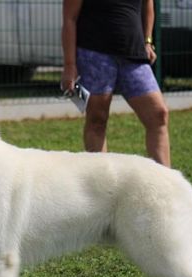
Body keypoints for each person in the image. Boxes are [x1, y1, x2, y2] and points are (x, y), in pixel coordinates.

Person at [61, 0, 171, 167]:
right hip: (94, 54)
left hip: (133, 53)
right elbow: (69, 19)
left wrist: (147, 41)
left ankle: (165, 185)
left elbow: (148, 5)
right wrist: (70, 66)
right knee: (97, 119)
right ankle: (101, 185)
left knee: (158, 114)